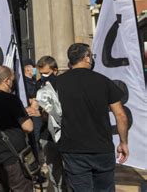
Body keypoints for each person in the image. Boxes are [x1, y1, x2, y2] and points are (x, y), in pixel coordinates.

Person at [54, 43, 129, 192]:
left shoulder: (57, 83)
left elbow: (47, 114)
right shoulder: (104, 81)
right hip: (101, 148)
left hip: (73, 149)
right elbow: (121, 116)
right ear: (86, 58)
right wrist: (123, 142)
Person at [32, 55, 66, 192]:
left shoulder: (63, 85)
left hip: (63, 133)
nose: (44, 76)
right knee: (53, 169)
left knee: (68, 168)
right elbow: (35, 105)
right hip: (46, 134)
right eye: (41, 74)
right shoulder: (38, 84)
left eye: (46, 73)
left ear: (55, 70)